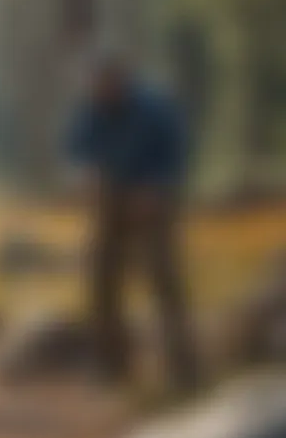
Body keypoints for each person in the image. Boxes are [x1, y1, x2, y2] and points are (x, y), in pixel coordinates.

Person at [67, 49, 198, 390]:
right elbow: (78, 149)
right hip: (111, 195)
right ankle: (112, 363)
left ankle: (182, 363)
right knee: (101, 276)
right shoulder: (91, 111)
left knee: (163, 276)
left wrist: (156, 188)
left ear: (121, 78)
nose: (100, 89)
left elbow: (177, 151)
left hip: (154, 194)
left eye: (106, 81)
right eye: (94, 84)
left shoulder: (154, 107)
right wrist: (85, 174)